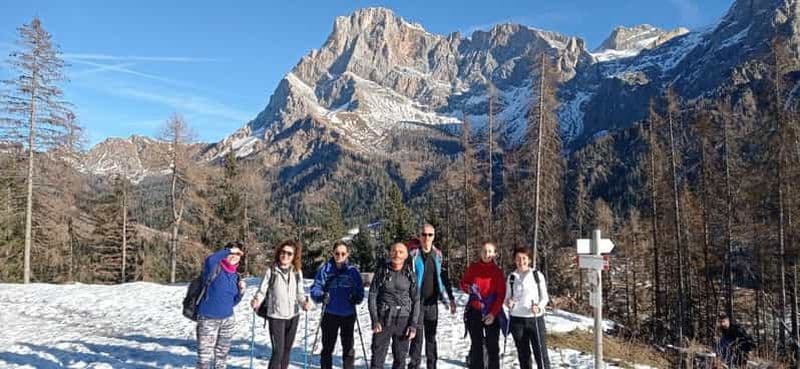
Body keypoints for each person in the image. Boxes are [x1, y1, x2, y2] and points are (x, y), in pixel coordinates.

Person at [250, 240, 311, 369]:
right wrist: (256, 300)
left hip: (293, 316)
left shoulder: (296, 272)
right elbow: (262, 291)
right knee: (278, 352)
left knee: (287, 350)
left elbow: (299, 293)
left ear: (294, 256)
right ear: (279, 253)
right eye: (283, 252)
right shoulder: (271, 271)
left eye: (289, 253)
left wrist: (304, 303)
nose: (285, 256)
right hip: (276, 316)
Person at [310, 241, 366, 369]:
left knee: (348, 347)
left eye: (343, 253)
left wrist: (356, 297)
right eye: (337, 253)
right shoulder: (325, 269)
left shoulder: (353, 271)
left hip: (348, 314)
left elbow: (360, 290)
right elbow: (315, 288)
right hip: (330, 314)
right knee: (327, 347)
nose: (339, 256)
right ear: (333, 253)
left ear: (347, 254)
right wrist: (321, 296)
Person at [408, 223, 456, 369]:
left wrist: (451, 298)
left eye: (430, 235)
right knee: (417, 338)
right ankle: (414, 365)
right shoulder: (413, 256)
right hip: (417, 303)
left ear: (434, 236)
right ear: (419, 236)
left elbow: (444, 277)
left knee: (431, 338)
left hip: (433, 303)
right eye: (424, 234)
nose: (426, 237)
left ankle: (432, 365)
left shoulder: (438, 255)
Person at [195, 242, 247, 369]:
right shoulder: (214, 267)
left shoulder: (236, 276)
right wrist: (229, 250)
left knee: (222, 357)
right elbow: (210, 259)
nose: (234, 256)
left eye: (238, 254)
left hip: (227, 320)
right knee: (204, 359)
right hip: (208, 318)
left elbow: (232, 302)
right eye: (232, 253)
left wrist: (241, 292)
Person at [369, 242, 420, 369]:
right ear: (390, 253)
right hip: (383, 318)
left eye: (400, 252)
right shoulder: (382, 271)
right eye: (394, 251)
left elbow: (416, 300)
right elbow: (372, 295)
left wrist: (413, 324)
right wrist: (375, 320)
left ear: (406, 255)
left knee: (400, 360)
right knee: (377, 358)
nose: (397, 254)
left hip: (403, 320)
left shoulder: (410, 274)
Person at [460, 242, 506, 369]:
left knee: (493, 348)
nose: (487, 254)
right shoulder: (473, 267)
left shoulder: (497, 272)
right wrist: (468, 288)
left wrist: (492, 314)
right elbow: (463, 283)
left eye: (490, 251)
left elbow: (501, 295)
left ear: (495, 254)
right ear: (480, 253)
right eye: (485, 251)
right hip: (475, 311)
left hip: (492, 312)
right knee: (477, 347)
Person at [504, 247, 550, 369]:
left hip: (534, 319)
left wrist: (539, 307)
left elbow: (544, 298)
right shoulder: (511, 277)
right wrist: (509, 303)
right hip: (517, 320)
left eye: (524, 258)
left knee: (541, 354)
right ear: (514, 260)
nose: (521, 261)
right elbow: (506, 298)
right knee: (523, 355)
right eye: (518, 258)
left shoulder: (536, 275)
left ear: (529, 260)